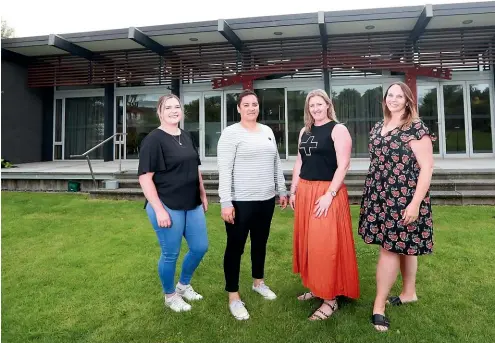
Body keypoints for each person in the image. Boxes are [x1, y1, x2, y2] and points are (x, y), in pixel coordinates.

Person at [358, 82, 435, 332]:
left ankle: (378, 306)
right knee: (405, 245)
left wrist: (415, 203)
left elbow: (427, 168)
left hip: (404, 197)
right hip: (379, 194)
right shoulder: (379, 126)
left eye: (398, 96)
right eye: (390, 95)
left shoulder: (416, 128)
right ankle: (408, 292)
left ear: (408, 100)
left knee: (390, 248)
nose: (393, 99)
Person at [217, 89, 288, 321]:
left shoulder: (267, 131)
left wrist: (282, 189)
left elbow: (276, 162)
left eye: (254, 104)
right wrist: (226, 202)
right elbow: (224, 171)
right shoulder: (230, 134)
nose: (251, 108)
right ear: (238, 108)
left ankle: (259, 282)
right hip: (240, 202)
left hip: (266, 200)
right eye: (246, 104)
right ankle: (233, 296)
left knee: (260, 244)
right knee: (235, 248)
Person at [289, 89, 360, 321]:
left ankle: (330, 299)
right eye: (312, 106)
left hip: (327, 192)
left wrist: (330, 194)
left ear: (328, 105)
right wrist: (293, 189)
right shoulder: (305, 131)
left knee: (325, 245)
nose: (316, 109)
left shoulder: (338, 129)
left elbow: (344, 165)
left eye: (320, 104)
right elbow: (300, 161)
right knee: (309, 244)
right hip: (306, 191)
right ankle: (316, 287)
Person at [138, 94, 209, 313]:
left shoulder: (186, 136)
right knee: (171, 253)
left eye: (177, 106)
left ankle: (183, 285)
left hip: (192, 202)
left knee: (199, 247)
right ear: (159, 112)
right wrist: (159, 209)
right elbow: (144, 177)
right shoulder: (153, 139)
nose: (173, 110)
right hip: (166, 203)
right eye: (167, 107)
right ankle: (170, 296)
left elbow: (195, 168)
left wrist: (203, 194)